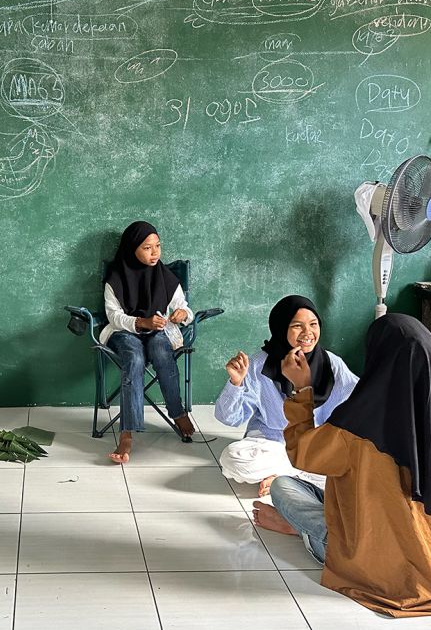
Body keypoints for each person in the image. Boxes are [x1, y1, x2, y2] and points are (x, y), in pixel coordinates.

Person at [266, 314, 431, 618]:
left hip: (369, 564)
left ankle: (307, 532)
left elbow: (301, 453)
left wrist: (302, 390)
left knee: (283, 486)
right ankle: (310, 526)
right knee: (327, 489)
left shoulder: (355, 427)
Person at [215, 296, 358, 525]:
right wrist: (236, 383)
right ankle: (301, 473)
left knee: (355, 461)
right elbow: (229, 418)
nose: (307, 332)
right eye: (297, 326)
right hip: (272, 445)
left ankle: (284, 476)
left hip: (315, 444)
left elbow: (358, 398)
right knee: (232, 458)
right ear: (281, 328)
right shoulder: (260, 364)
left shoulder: (332, 363)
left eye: (313, 324)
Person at [99, 221, 194, 463]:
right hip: (124, 331)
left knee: (161, 351)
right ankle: (127, 433)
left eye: (157, 246)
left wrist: (183, 314)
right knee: (135, 357)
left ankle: (177, 411)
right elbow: (113, 316)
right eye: (147, 248)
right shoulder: (116, 278)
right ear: (132, 249)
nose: (154, 253)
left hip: (158, 332)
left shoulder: (166, 277)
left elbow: (183, 307)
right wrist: (142, 322)